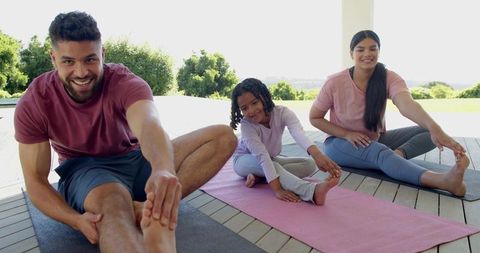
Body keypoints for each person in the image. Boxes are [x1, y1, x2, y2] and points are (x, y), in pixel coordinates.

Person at [14, 11, 237, 253]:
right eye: (69, 61)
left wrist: (163, 168)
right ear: (53, 58)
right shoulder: (35, 101)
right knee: (114, 206)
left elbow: (149, 124)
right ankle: (129, 208)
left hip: (135, 158)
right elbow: (35, 181)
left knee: (223, 137)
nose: (81, 72)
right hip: (87, 171)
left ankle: (151, 207)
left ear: (103, 54)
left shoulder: (124, 81)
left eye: (90, 59)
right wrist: (75, 220)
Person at [309, 30, 469, 197]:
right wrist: (347, 134)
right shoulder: (335, 82)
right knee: (379, 152)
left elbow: (406, 104)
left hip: (374, 138)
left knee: (427, 131)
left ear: (379, 51)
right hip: (339, 143)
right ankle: (444, 181)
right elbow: (315, 117)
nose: (367, 54)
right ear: (351, 53)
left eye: (373, 49)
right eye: (360, 49)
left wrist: (436, 129)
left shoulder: (389, 77)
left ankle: (396, 156)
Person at [229, 78, 341, 205]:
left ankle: (261, 177)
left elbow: (298, 133)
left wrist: (318, 155)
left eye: (255, 103)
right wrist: (277, 189)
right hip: (243, 160)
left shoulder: (282, 113)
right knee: (273, 166)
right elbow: (262, 157)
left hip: (269, 159)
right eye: (244, 108)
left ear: (264, 97)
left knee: (309, 164)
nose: (251, 111)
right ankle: (312, 192)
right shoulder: (247, 125)